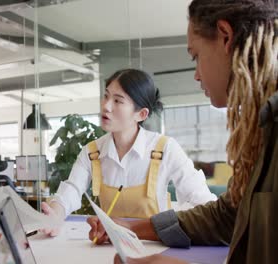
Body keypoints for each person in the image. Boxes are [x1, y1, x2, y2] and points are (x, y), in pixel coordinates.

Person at [88, 0, 277, 263]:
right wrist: (131, 227)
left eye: (196, 56)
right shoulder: (262, 129)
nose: (197, 75)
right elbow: (228, 216)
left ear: (225, 37)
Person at [42, 69, 217, 236]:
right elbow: (72, 189)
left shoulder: (165, 148)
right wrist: (55, 215)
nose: (106, 106)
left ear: (141, 114)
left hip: (156, 247)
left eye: (118, 101)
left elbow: (201, 200)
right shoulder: (92, 152)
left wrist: (176, 216)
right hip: (109, 245)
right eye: (106, 96)